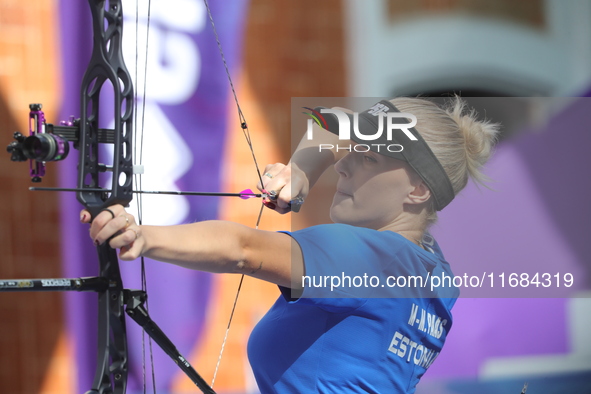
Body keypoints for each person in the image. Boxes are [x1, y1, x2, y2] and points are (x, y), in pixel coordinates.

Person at [82, 97, 499, 393]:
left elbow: (244, 249)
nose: (343, 163)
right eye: (352, 150)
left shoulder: (369, 256)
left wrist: (143, 235)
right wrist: (299, 173)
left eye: (369, 158)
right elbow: (332, 120)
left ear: (418, 190)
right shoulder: (434, 272)